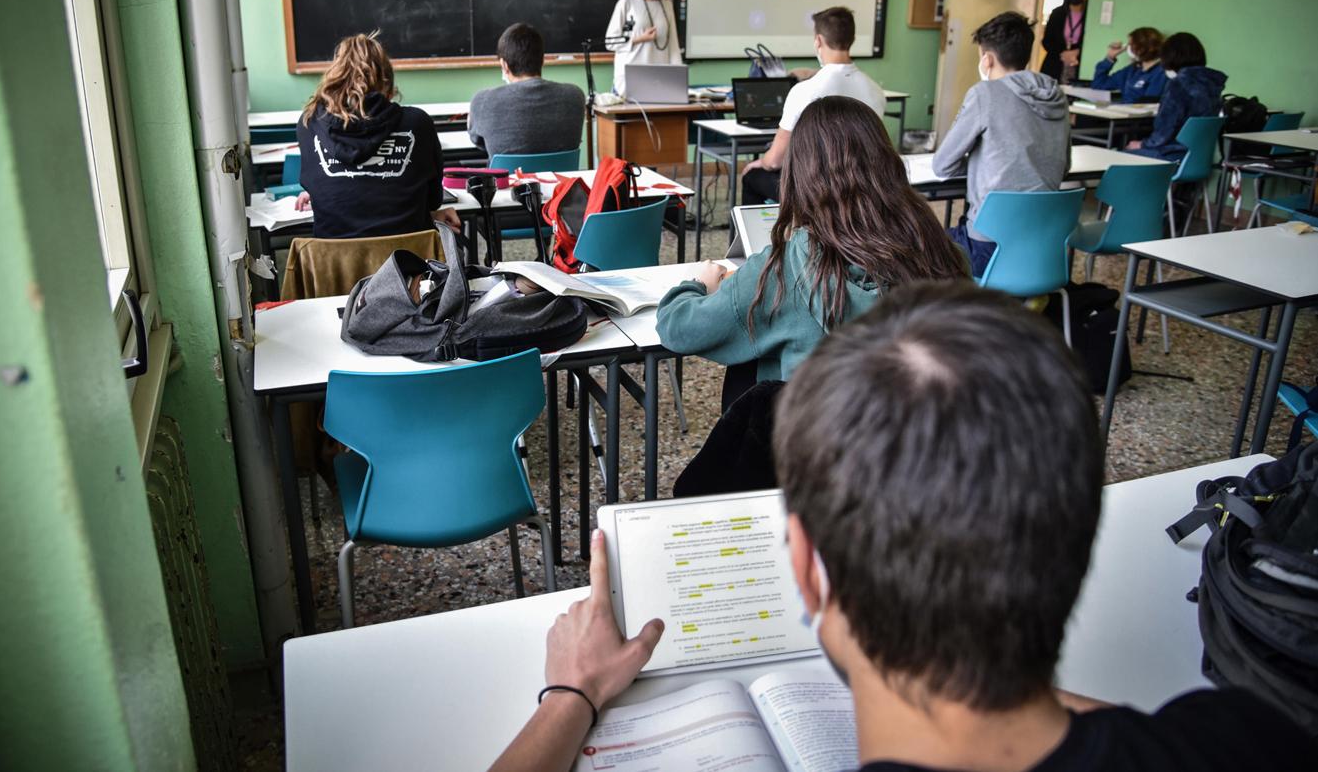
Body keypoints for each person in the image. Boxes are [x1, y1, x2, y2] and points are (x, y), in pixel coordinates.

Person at [489, 282, 1311, 772]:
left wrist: (570, 696)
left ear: (804, 566)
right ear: (1074, 530)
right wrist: (996, 684)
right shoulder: (1247, 736)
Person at [657, 96, 967, 409]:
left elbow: (678, 329)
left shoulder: (782, 271)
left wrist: (697, 284)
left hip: (821, 434)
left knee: (748, 363)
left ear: (799, 173)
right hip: (922, 430)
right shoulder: (943, 256)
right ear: (887, 162)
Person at [933, 11, 1070, 277]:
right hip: (1043, 247)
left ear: (987, 59)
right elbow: (1063, 166)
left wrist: (985, 165)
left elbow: (942, 165)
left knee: (922, 245)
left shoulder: (984, 94)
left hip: (988, 247)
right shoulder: (1057, 96)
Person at [293, 32, 459, 239]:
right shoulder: (417, 123)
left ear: (334, 78)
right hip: (409, 256)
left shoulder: (309, 123)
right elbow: (433, 200)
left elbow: (322, 189)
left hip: (334, 258)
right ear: (386, 81)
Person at [741, 6, 886, 206]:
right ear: (852, 39)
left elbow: (775, 161)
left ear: (818, 40)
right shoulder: (875, 91)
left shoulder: (804, 92)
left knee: (752, 177)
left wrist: (761, 162)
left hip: (815, 190)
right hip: (861, 189)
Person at [467, 23, 585, 159]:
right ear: (542, 60)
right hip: (561, 174)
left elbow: (479, 142)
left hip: (508, 174)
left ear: (504, 65)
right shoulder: (575, 96)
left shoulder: (482, 101)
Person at [1126, 32, 1227, 161]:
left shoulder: (1179, 84)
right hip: (1200, 156)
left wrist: (1142, 144)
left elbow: (1164, 132)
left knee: (1121, 154)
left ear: (1170, 56)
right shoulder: (1212, 84)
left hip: (1172, 153)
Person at [604, 0, 682, 96]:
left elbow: (673, 46)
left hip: (659, 81)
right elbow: (610, 42)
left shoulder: (667, 5)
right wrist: (640, 39)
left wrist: (679, 81)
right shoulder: (627, 2)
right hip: (628, 80)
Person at [1091, 26, 1167, 102]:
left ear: (1143, 47)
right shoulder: (1132, 69)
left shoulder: (1161, 72)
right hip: (1122, 108)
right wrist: (1110, 57)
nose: (1127, 48)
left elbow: (1148, 103)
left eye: (1130, 44)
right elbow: (1099, 85)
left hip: (1134, 109)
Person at [1040, 0, 1089, 83]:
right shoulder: (1057, 13)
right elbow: (1046, 41)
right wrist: (1063, 54)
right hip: (1054, 66)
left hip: (1079, 66)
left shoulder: (1091, 16)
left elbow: (1093, 42)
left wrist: (1077, 52)